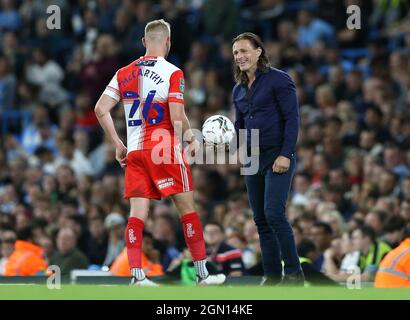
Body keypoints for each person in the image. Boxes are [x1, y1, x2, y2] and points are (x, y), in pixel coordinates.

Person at [94, 19, 225, 286]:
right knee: (187, 210)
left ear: (144, 42)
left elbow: (100, 109)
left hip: (135, 153)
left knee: (136, 214)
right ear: (168, 42)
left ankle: (137, 276)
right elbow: (176, 115)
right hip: (163, 150)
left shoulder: (123, 72)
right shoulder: (173, 72)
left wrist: (119, 144)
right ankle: (202, 275)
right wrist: (186, 143)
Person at [232, 32, 304, 285]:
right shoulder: (238, 89)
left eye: (244, 51)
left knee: (274, 213)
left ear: (258, 51)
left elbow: (292, 118)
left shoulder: (279, 80)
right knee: (260, 219)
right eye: (236, 53)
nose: (240, 57)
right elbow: (239, 125)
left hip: (277, 154)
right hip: (252, 157)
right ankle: (272, 276)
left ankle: (294, 273)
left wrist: (286, 153)